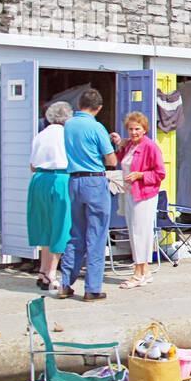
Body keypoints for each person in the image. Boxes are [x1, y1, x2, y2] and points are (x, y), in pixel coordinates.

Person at [59, 89, 118, 302]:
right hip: (94, 180)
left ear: (79, 103)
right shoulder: (96, 127)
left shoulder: (68, 125)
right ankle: (92, 288)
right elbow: (111, 161)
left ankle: (65, 283)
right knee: (97, 234)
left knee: (76, 233)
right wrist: (114, 144)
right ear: (99, 108)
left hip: (74, 179)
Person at [110, 111, 167, 287]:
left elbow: (160, 173)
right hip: (129, 194)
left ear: (144, 129)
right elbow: (122, 161)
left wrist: (140, 175)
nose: (134, 132)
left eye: (137, 129)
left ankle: (138, 272)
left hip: (144, 195)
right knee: (134, 232)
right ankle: (145, 272)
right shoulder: (130, 146)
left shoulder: (150, 146)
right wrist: (119, 145)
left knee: (140, 233)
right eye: (131, 129)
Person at [27, 101, 72, 291]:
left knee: (44, 225)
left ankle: (43, 270)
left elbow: (31, 164)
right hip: (60, 178)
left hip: (38, 179)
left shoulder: (40, 135)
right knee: (61, 225)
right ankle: (52, 272)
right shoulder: (68, 135)